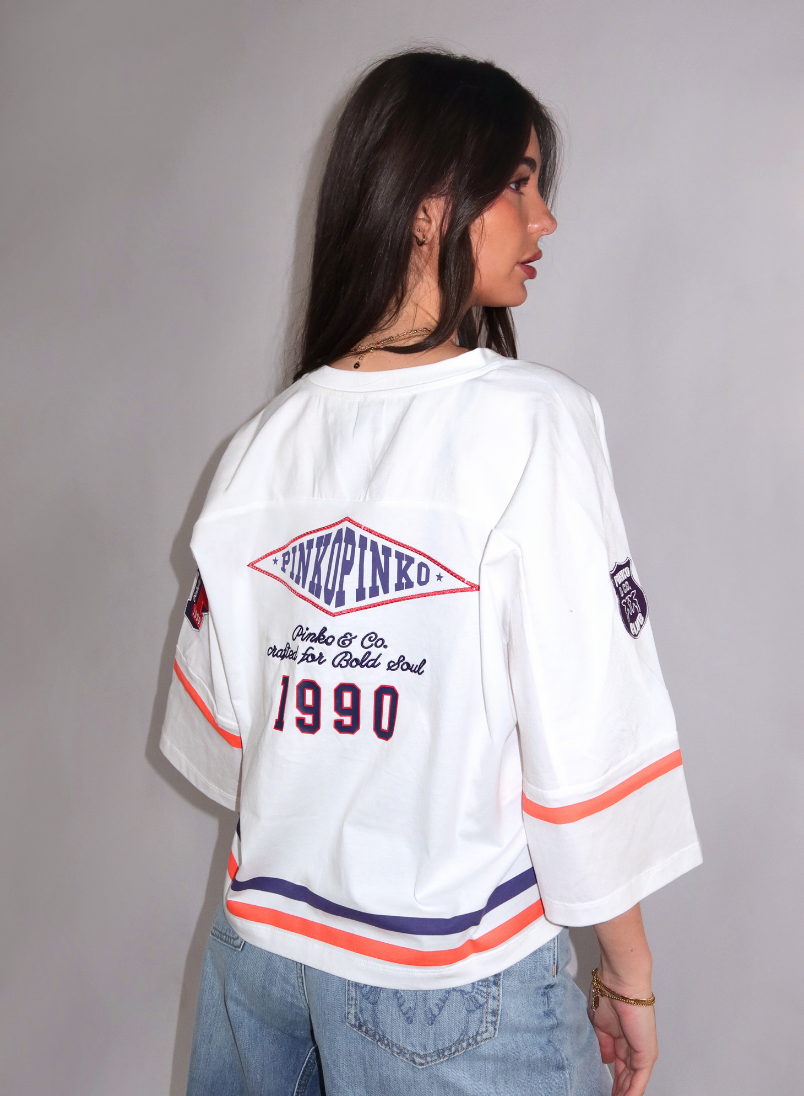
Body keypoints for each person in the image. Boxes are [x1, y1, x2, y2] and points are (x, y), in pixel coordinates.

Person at [160, 50, 701, 1096]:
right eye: (519, 183)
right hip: (449, 977)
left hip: (258, 963)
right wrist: (627, 976)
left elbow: (230, 744)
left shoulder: (259, 448)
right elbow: (585, 733)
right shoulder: (534, 423)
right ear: (427, 208)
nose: (545, 219)